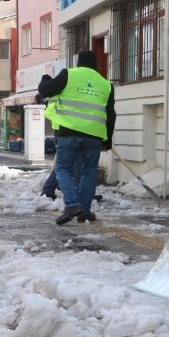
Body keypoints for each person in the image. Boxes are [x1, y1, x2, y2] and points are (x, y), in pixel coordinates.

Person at [38, 51, 115, 224]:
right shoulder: (106, 84)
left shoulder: (69, 74)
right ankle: (84, 211)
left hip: (68, 132)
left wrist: (45, 79)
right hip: (94, 135)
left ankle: (72, 204)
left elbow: (45, 91)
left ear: (78, 62)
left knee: (63, 168)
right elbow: (111, 114)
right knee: (89, 172)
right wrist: (107, 141)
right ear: (96, 65)